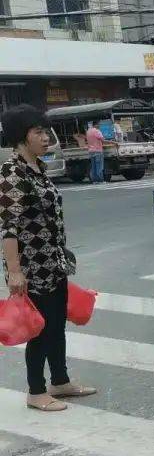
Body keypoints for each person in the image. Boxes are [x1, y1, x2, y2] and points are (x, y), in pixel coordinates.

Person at [0, 105, 96, 412]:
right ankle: (36, 390)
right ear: (21, 136)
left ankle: (59, 380)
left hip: (52, 262)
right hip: (31, 266)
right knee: (38, 327)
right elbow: (8, 227)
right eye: (38, 132)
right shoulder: (13, 173)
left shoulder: (38, 168)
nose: (45, 137)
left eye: (45, 131)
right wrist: (14, 272)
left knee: (56, 324)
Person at [85, 119, 106, 183]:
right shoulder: (97, 131)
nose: (99, 126)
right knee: (99, 166)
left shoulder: (88, 131)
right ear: (96, 125)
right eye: (99, 124)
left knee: (93, 167)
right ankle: (100, 180)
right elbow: (102, 139)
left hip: (91, 151)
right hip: (98, 151)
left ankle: (94, 180)